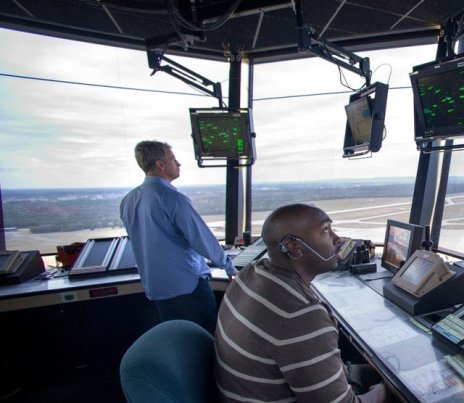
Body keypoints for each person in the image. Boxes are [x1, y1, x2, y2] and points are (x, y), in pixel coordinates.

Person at [215, 203, 387, 403]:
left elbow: (299, 357)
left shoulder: (251, 273)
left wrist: (367, 372)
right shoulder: (300, 314)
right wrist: (384, 391)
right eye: (326, 231)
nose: (337, 239)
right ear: (294, 247)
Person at [120, 140, 236, 334]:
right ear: (160, 164)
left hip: (157, 288)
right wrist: (229, 266)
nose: (178, 163)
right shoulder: (172, 198)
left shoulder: (129, 200)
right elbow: (200, 238)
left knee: (179, 340)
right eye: (173, 159)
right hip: (187, 287)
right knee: (203, 341)